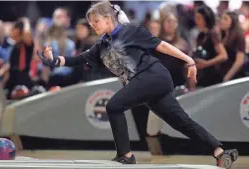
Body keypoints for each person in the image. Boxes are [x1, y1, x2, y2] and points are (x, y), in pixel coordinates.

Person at [37, 1, 238, 168]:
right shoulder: (101, 45)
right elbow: (78, 59)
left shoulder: (130, 31)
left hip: (153, 76)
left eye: (96, 21)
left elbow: (162, 45)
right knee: (180, 122)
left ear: (108, 18)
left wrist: (189, 60)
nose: (94, 26)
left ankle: (126, 155)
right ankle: (220, 151)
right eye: (91, 23)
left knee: (114, 106)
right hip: (147, 84)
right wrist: (54, 60)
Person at [218, 11, 246, 81]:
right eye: (221, 18)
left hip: (234, 75)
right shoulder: (222, 35)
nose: (221, 21)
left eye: (225, 19)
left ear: (233, 21)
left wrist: (227, 77)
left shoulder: (239, 36)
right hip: (222, 72)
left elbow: (239, 61)